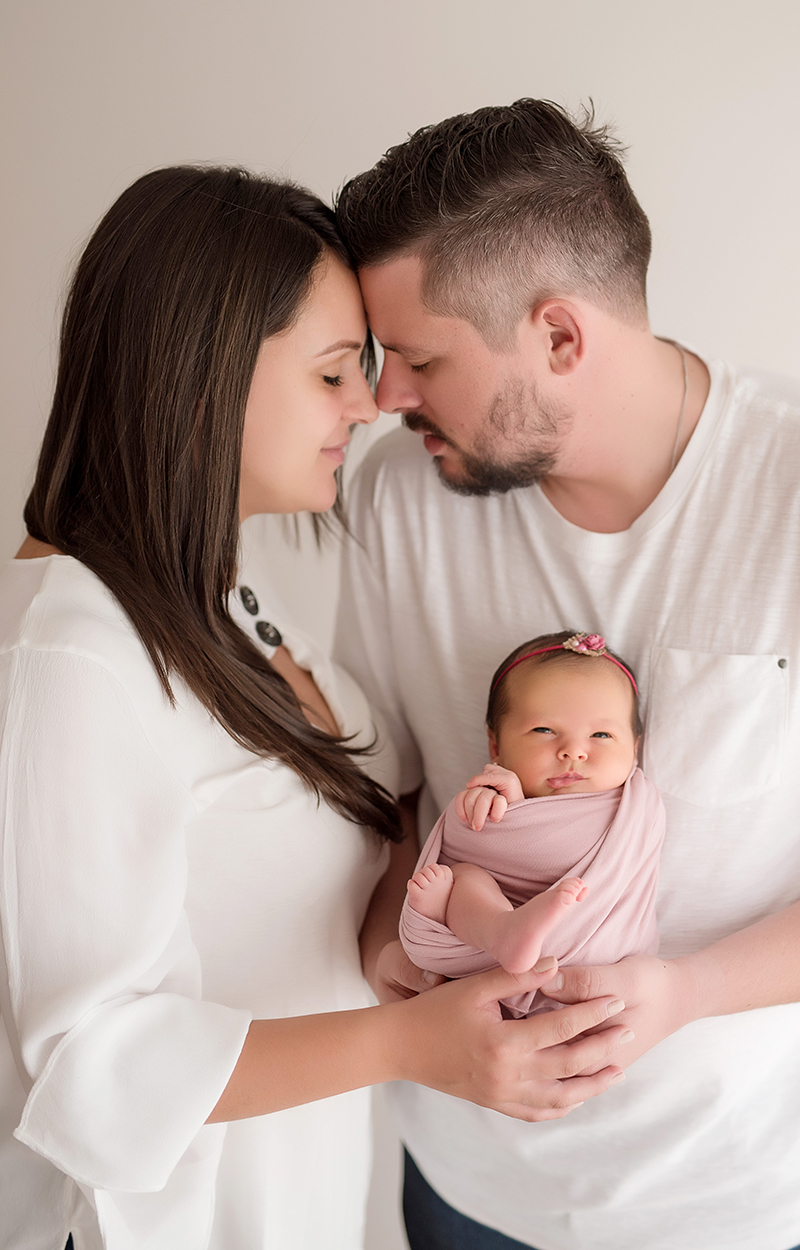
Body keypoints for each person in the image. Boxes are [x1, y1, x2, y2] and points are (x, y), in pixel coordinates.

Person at [0, 166, 634, 1250]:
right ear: (199, 375)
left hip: (308, 1193)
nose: (371, 403)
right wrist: (407, 1043)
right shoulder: (75, 653)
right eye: (336, 370)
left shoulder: (231, 598)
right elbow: (84, 1066)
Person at [333, 100, 800, 1250]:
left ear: (557, 337)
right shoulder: (399, 496)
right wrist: (393, 953)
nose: (382, 398)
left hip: (729, 1196)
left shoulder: (783, 494)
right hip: (461, 1176)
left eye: (422, 359)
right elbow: (387, 798)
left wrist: (684, 992)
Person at [400, 631, 664, 1018]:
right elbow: (476, 840)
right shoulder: (499, 794)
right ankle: (502, 929)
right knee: (466, 878)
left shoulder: (638, 810)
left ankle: (507, 931)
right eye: (544, 730)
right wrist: (505, 810)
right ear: (496, 745)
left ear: (634, 749)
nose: (574, 750)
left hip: (600, 957)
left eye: (602, 734)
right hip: (492, 944)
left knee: (462, 882)